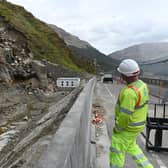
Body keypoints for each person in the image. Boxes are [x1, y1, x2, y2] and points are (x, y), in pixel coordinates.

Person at [109, 59, 153, 168]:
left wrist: (118, 128)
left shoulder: (130, 92)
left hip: (127, 128)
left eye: (121, 73)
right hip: (137, 126)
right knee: (132, 147)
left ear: (125, 75)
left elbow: (125, 115)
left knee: (116, 152)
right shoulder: (142, 85)